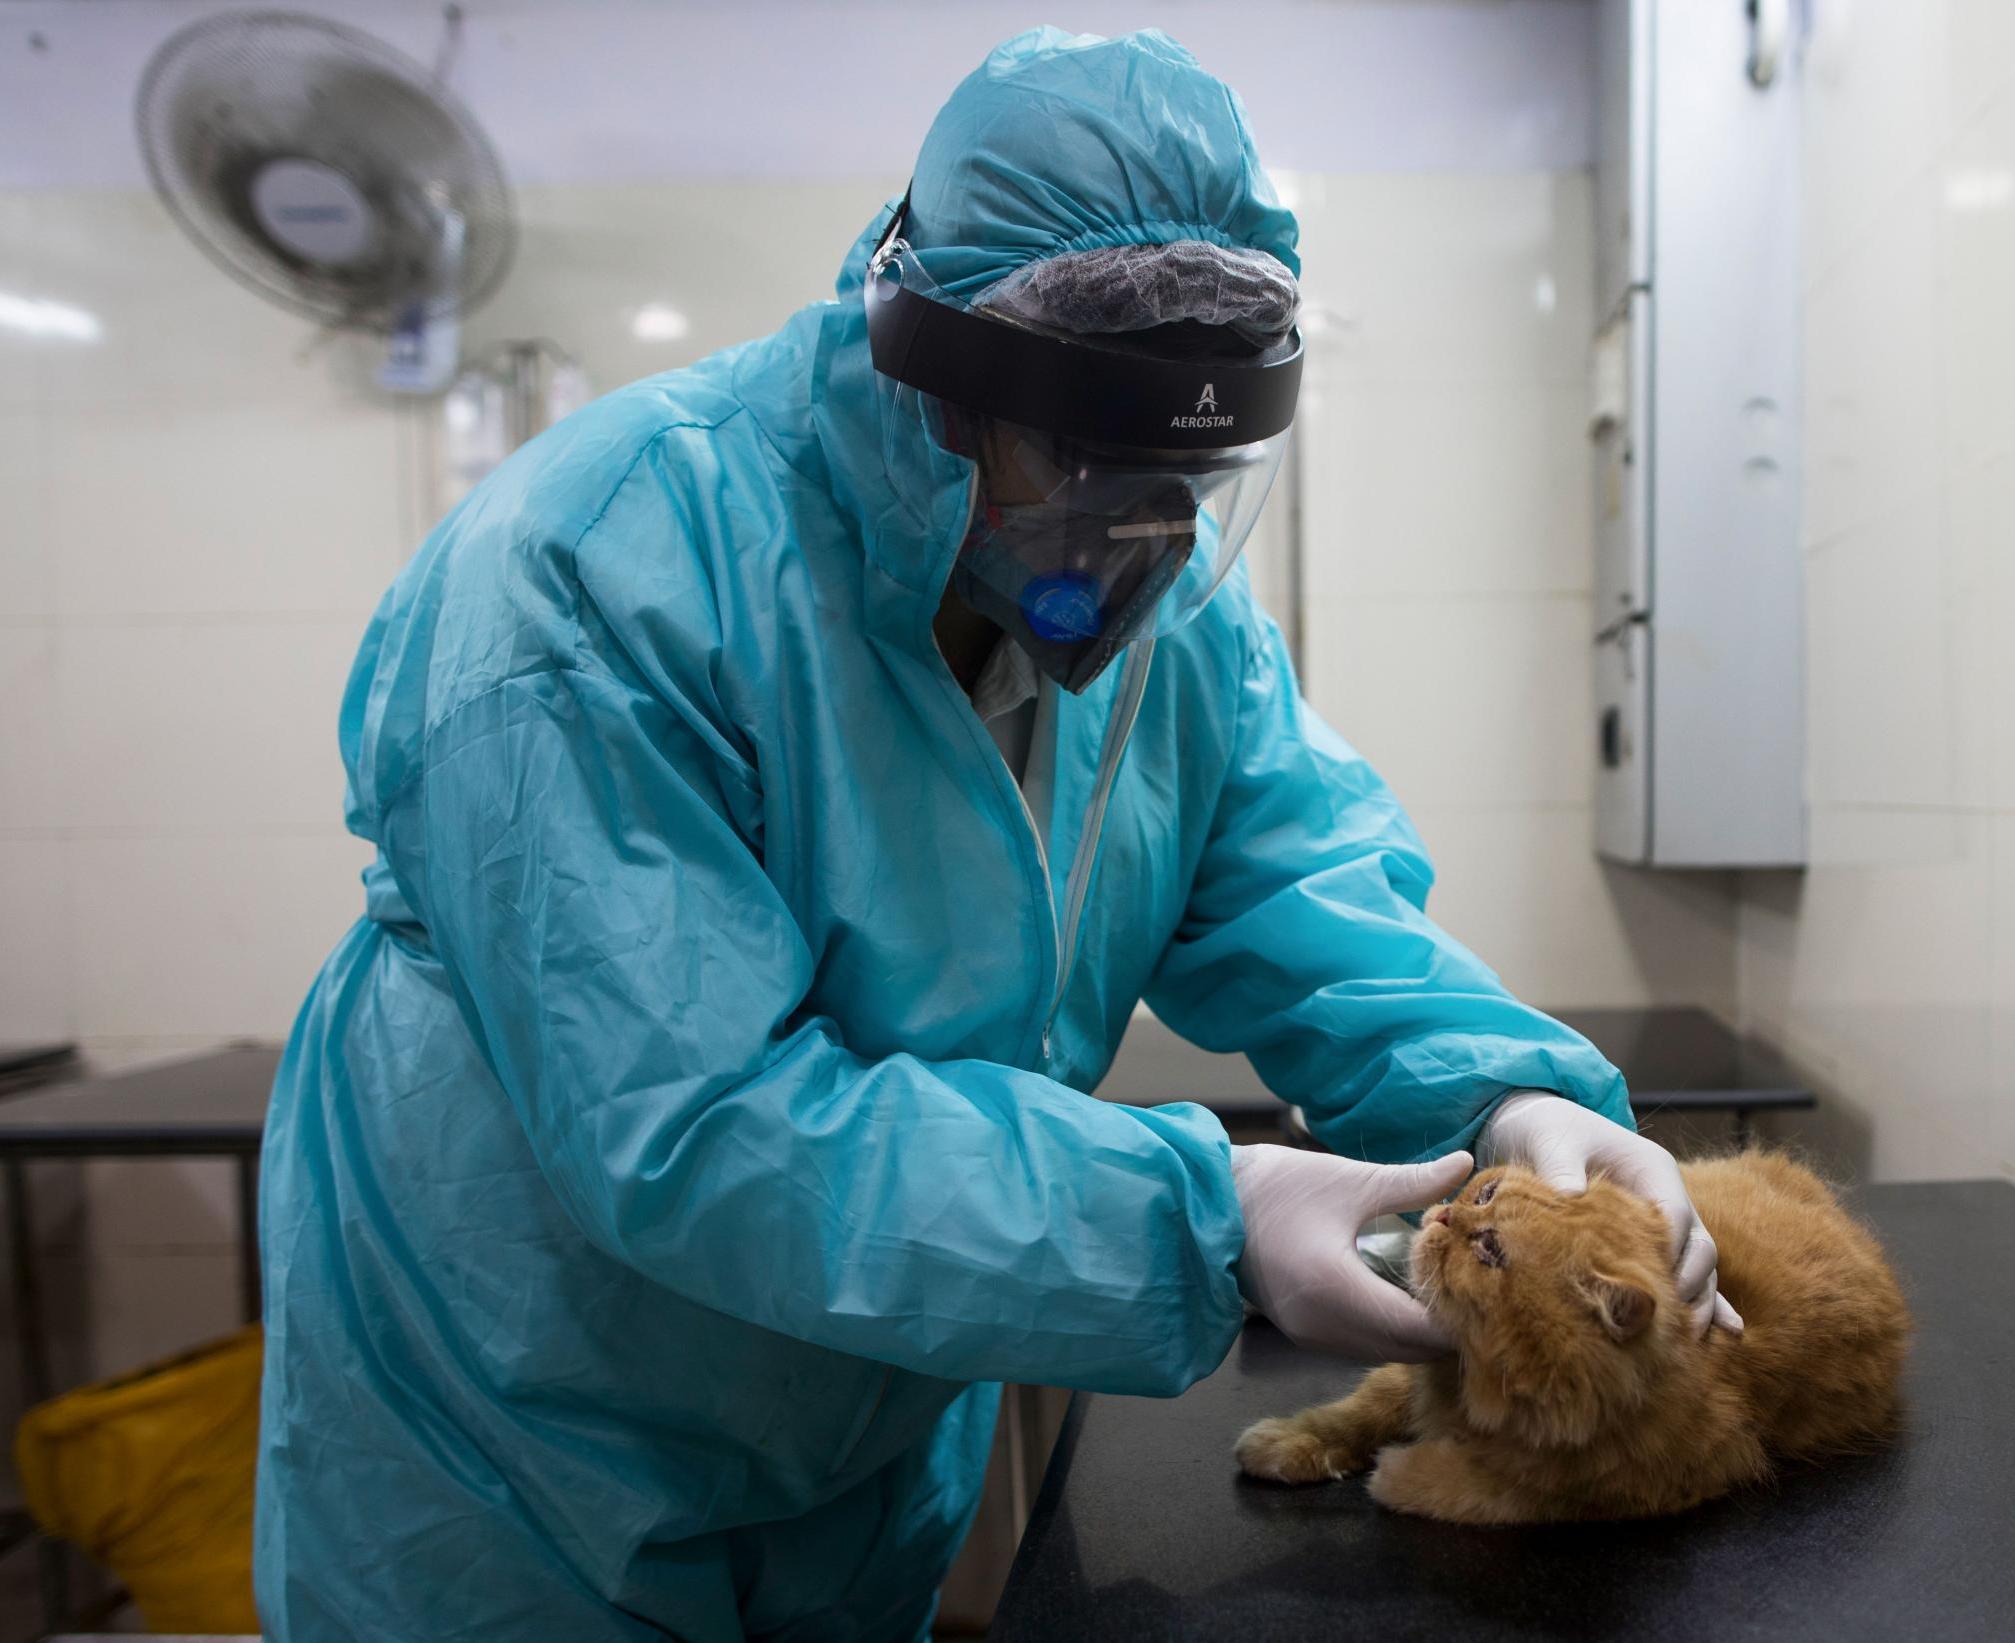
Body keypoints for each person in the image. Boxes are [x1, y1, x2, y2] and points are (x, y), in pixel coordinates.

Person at [255, 28, 1737, 1642]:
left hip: (866, 1383)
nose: (1137, 536)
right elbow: (690, 1121)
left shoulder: (1167, 613)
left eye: (1188, 476)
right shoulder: (588, 571)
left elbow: (1300, 887)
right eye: (1086, 464)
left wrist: (1506, 1094)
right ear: (931, 384)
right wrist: (1206, 1218)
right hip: (525, 1421)